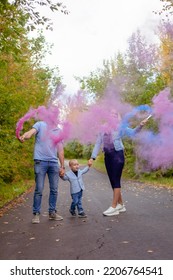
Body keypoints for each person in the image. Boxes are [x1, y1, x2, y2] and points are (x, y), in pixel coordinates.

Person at [89, 112, 149, 217]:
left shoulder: (121, 127)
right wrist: (92, 157)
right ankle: (121, 205)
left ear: (117, 117)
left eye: (115, 114)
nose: (112, 116)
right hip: (107, 156)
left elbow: (133, 132)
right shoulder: (102, 129)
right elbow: (98, 143)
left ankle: (113, 207)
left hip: (118, 155)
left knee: (116, 180)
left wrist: (140, 125)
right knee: (112, 180)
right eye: (111, 114)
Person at [19, 120, 65, 224]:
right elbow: (30, 133)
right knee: (39, 189)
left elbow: (60, 150)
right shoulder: (40, 124)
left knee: (54, 189)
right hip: (40, 161)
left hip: (53, 163)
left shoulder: (59, 131)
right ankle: (36, 214)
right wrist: (24, 136)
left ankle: (52, 213)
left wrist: (62, 166)